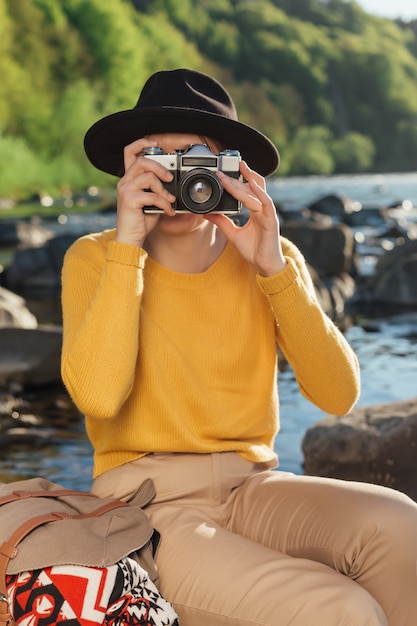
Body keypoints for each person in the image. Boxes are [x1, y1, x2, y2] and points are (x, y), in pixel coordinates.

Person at [61, 68, 417, 626]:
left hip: (255, 487)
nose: (176, 175)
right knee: (339, 609)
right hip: (145, 506)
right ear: (132, 166)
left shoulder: (270, 256)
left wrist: (273, 267)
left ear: (229, 168)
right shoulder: (95, 256)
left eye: (193, 157)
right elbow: (99, 397)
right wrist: (128, 242)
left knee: (403, 527)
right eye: (157, 155)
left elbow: (339, 395)